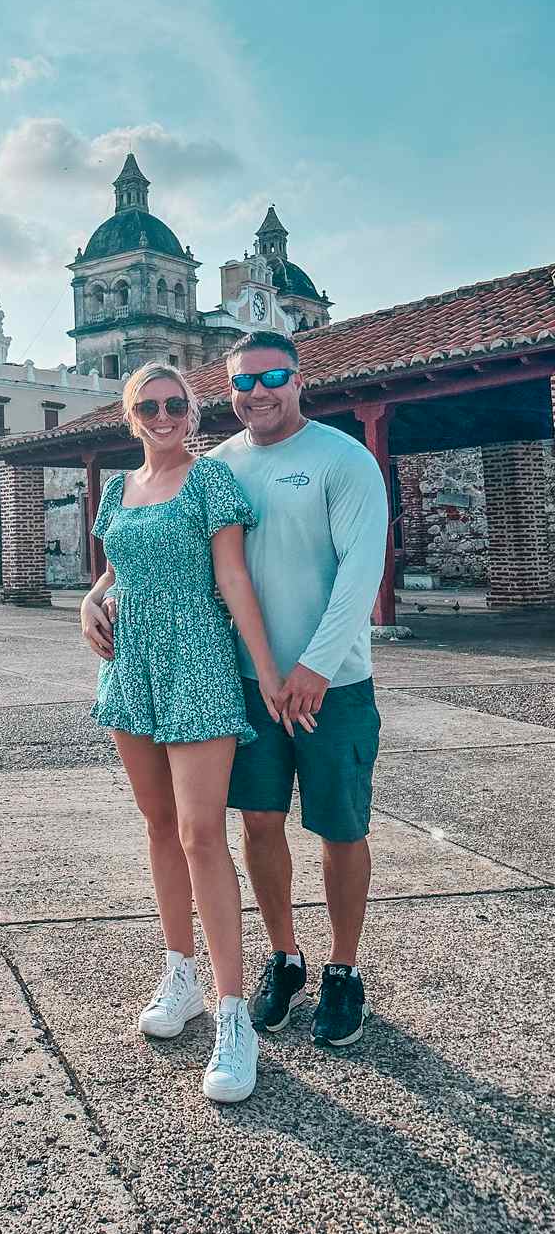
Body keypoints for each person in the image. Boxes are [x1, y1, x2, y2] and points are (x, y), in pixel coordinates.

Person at [80, 361, 281, 1104]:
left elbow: (232, 580)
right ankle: (180, 975)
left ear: (192, 412)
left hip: (196, 659)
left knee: (202, 835)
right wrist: (87, 603)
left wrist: (263, 670)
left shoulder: (210, 483)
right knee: (158, 827)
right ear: (131, 415)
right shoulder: (116, 489)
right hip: (130, 665)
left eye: (176, 404)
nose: (164, 415)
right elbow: (114, 572)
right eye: (150, 405)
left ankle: (235, 1017)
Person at [213, 330, 389, 1049]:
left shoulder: (342, 459)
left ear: (298, 379)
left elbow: (360, 571)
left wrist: (315, 666)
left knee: (341, 829)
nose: (258, 392)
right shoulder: (219, 466)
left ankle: (344, 972)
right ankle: (285, 958)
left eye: (272, 376)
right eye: (243, 383)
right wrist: (100, 593)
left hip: (332, 686)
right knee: (259, 824)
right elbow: (165, 540)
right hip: (253, 686)